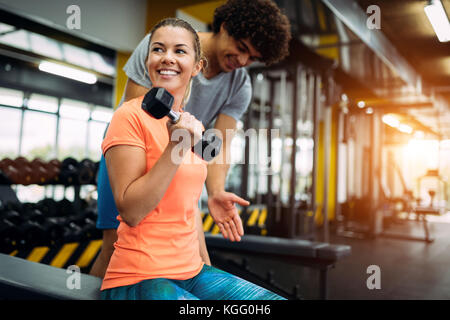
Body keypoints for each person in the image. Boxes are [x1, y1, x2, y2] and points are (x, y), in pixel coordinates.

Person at [90, 0, 291, 278]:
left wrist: (216, 190)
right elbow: (141, 116)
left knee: (195, 251)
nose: (243, 61)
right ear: (224, 27)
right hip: (130, 151)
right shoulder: (164, 46)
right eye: (242, 48)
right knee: (116, 247)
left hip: (178, 156)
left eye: (252, 58)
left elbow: (218, 147)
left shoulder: (239, 84)